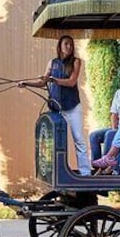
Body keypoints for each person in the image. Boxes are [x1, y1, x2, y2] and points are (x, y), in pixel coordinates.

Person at [18, 35, 90, 175]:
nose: (69, 47)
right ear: (60, 46)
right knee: (55, 141)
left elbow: (71, 82)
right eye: (66, 44)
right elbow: (43, 82)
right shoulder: (52, 63)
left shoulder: (76, 62)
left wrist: (54, 80)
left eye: (71, 44)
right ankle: (56, 172)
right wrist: (26, 83)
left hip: (72, 107)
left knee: (78, 139)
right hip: (57, 109)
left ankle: (85, 172)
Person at [88, 65, 120, 162]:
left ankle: (107, 165)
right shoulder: (119, 93)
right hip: (118, 127)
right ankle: (96, 165)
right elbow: (114, 114)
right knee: (94, 136)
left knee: (110, 134)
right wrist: (114, 129)